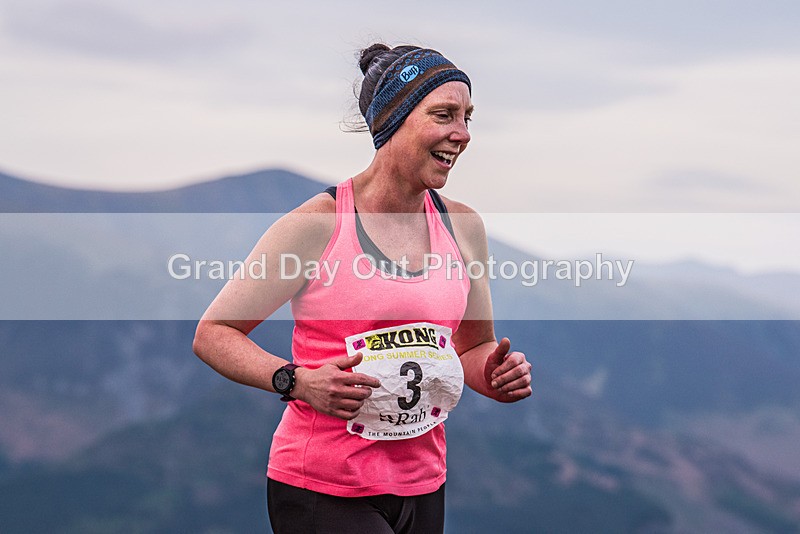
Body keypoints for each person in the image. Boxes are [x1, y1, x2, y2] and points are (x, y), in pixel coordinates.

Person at [193, 43, 532, 534]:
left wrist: (496, 375)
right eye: (444, 115)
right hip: (323, 486)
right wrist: (297, 381)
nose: (462, 134)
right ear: (393, 120)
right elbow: (213, 333)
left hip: (423, 484)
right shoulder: (318, 224)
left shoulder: (463, 226)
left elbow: (472, 348)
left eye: (467, 118)